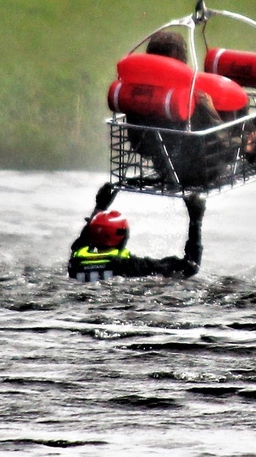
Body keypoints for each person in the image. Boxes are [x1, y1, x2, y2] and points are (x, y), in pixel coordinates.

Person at [126, 29, 226, 187]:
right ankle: (253, 145)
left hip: (163, 167)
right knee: (241, 119)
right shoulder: (191, 99)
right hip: (201, 171)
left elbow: (142, 148)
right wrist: (211, 109)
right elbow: (223, 143)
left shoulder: (137, 94)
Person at [68, 182, 205, 281]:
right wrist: (196, 220)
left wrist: (99, 207)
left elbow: (84, 239)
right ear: (122, 237)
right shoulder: (130, 266)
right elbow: (190, 267)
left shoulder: (75, 262)